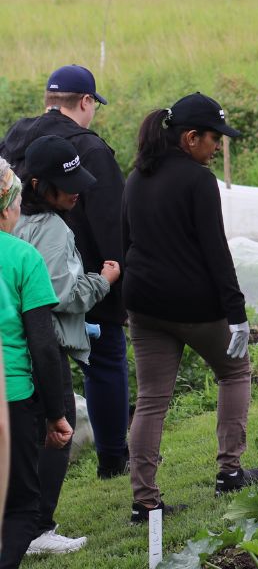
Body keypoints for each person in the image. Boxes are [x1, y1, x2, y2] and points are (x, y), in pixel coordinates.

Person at [122, 93, 258, 524]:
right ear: (190, 138)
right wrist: (236, 313)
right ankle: (230, 471)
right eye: (214, 138)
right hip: (194, 307)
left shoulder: (137, 176)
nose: (218, 146)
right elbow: (216, 251)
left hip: (143, 304)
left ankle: (145, 502)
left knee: (150, 400)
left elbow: (125, 241)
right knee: (234, 371)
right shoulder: (199, 181)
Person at [0, 64, 130, 480]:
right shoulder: (89, 149)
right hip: (80, 279)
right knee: (104, 359)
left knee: (33, 374)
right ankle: (112, 458)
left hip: (16, 278)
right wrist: (111, 279)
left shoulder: (17, 136)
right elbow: (113, 221)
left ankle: (26, 473)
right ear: (86, 102)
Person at [14, 136, 120, 556]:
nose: (76, 190)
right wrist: (103, 281)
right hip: (47, 343)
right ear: (39, 184)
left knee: (29, 434)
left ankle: (23, 523)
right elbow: (60, 296)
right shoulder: (55, 229)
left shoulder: (15, 219)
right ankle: (40, 528)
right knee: (57, 431)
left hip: (16, 343)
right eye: (66, 182)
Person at [0, 157, 74, 568]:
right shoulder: (23, 257)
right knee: (20, 508)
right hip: (10, 399)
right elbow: (43, 345)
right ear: (8, 206)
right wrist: (54, 414)